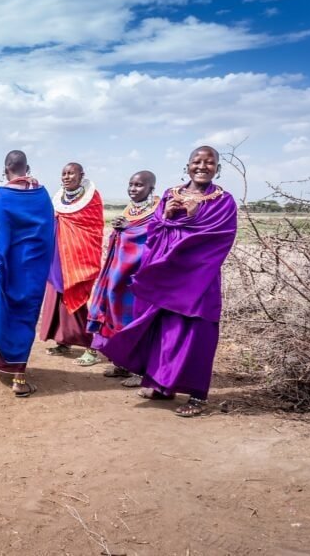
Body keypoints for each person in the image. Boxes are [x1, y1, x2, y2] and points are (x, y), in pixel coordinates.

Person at [100, 146, 237, 417]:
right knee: (164, 331)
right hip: (166, 274)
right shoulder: (169, 194)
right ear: (187, 166)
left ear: (217, 169)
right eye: (197, 161)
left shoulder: (225, 201)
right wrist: (168, 216)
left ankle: (198, 397)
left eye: (209, 163)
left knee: (197, 333)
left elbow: (221, 237)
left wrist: (194, 216)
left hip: (198, 279)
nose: (202, 166)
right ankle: (163, 385)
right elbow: (155, 230)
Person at [0, 151, 56, 397]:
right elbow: (48, 234)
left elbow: (1, 234)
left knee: (3, 308)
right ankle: (19, 376)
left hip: (8, 264)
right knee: (26, 315)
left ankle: (5, 361)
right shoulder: (43, 195)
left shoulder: (2, 195)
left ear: (5, 170)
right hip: (33, 267)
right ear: (28, 167)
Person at [87, 171, 159, 381]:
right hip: (119, 275)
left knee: (135, 321)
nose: (133, 189)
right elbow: (124, 234)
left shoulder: (157, 211)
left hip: (139, 277)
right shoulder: (131, 209)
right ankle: (122, 363)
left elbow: (154, 238)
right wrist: (120, 229)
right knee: (117, 317)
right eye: (131, 184)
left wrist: (129, 231)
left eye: (139, 185)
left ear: (151, 188)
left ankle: (140, 370)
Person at [39, 162, 104, 362]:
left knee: (78, 296)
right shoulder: (59, 197)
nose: (66, 177)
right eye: (64, 173)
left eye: (71, 173)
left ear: (81, 175)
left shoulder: (92, 198)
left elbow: (92, 228)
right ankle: (63, 340)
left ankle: (91, 346)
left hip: (78, 258)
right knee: (57, 297)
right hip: (58, 256)